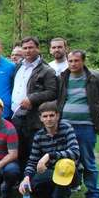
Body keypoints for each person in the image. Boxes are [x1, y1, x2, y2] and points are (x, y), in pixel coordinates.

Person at [57, 50, 99, 198]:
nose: (73, 64)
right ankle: (67, 190)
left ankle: (93, 195)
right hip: (65, 125)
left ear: (83, 61)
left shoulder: (95, 78)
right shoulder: (63, 78)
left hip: (86, 125)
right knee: (67, 159)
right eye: (70, 61)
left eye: (76, 61)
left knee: (88, 161)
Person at [18, 101, 80, 198]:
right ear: (41, 118)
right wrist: (26, 177)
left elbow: (75, 152)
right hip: (50, 172)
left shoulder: (66, 128)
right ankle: (57, 195)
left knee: (64, 165)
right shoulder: (39, 136)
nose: (49, 119)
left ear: (57, 116)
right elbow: (33, 160)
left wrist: (49, 155)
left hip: (70, 171)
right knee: (33, 185)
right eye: (45, 116)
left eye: (52, 115)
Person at [10, 37, 57, 170]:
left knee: (33, 152)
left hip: (34, 118)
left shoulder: (47, 70)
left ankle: (32, 181)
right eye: (25, 48)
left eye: (31, 47)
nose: (28, 50)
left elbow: (53, 92)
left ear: (38, 49)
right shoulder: (18, 66)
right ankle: (18, 182)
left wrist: (32, 98)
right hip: (16, 115)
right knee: (18, 150)